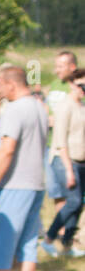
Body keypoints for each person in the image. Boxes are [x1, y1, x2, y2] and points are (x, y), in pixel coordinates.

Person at [0, 65, 48, 271]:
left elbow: (7, 149)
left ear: (11, 84)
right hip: (35, 183)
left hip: (12, 185)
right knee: (28, 245)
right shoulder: (37, 106)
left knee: (0, 246)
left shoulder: (13, 110)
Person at [43, 68, 85, 258]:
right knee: (73, 200)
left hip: (80, 160)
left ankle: (67, 244)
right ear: (71, 84)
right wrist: (68, 169)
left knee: (78, 204)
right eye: (80, 85)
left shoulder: (81, 106)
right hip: (64, 160)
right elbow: (60, 141)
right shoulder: (65, 106)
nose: (82, 89)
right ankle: (49, 238)